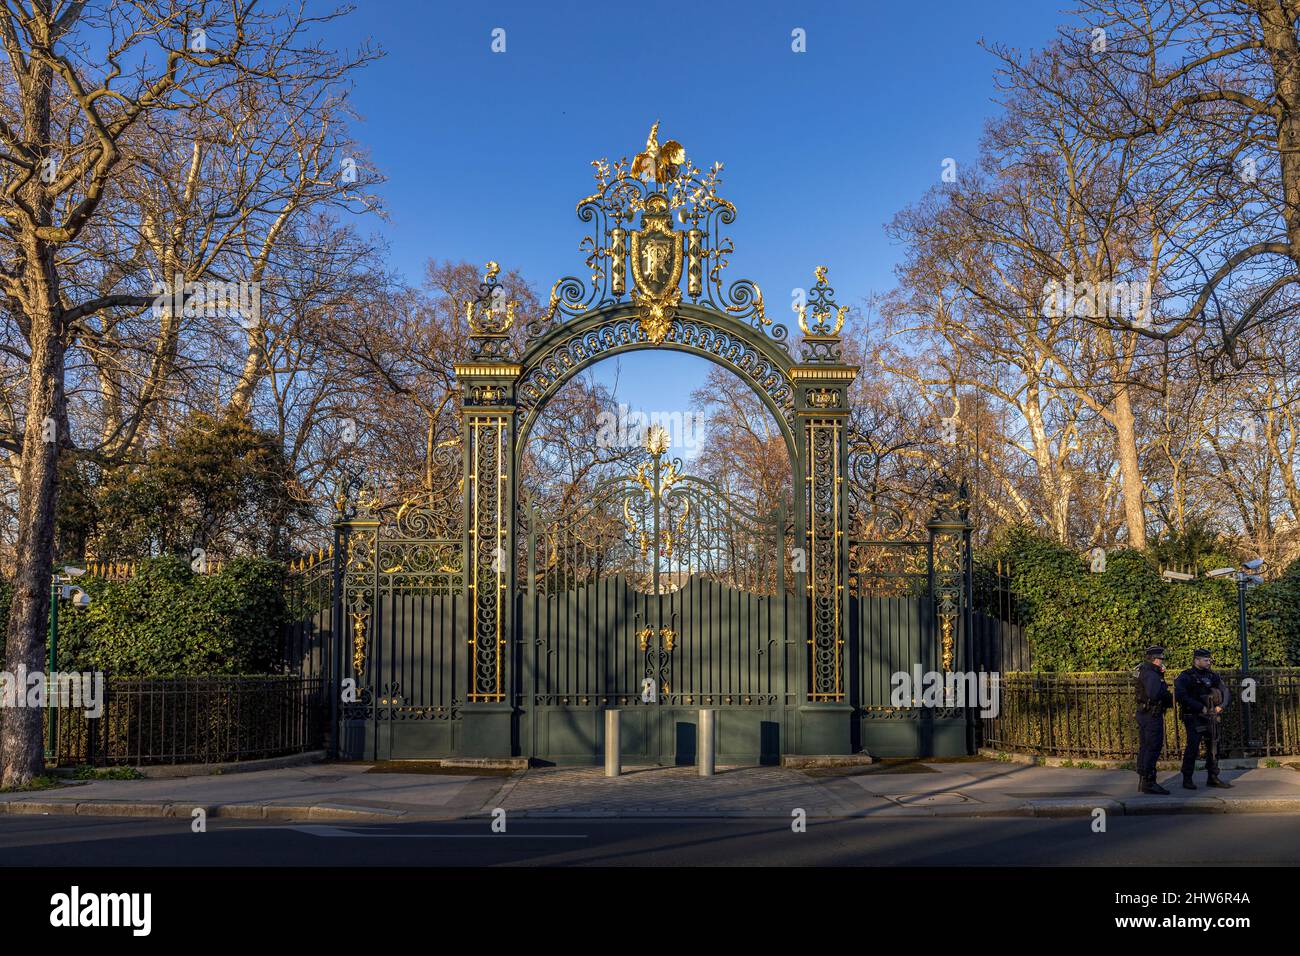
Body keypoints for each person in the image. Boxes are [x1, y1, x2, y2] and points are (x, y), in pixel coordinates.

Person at [1174, 649, 1234, 790]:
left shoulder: (1212, 675)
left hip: (1211, 716)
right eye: (1206, 660)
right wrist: (1200, 707)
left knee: (1214, 747)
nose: (1209, 662)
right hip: (1193, 716)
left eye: (1209, 660)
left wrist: (1221, 706)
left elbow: (1225, 691)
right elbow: (1181, 696)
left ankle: (1213, 777)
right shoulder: (1186, 676)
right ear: (1196, 660)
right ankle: (1187, 778)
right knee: (1193, 748)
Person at [1134, 645, 1174, 794]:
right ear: (1155, 659)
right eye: (1161, 659)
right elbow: (1154, 694)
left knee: (1145, 746)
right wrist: (1164, 689)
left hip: (1145, 714)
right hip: (1151, 715)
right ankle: (1149, 782)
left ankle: (1143, 780)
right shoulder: (1151, 674)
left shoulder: (1146, 671)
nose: (1162, 662)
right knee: (1153, 747)